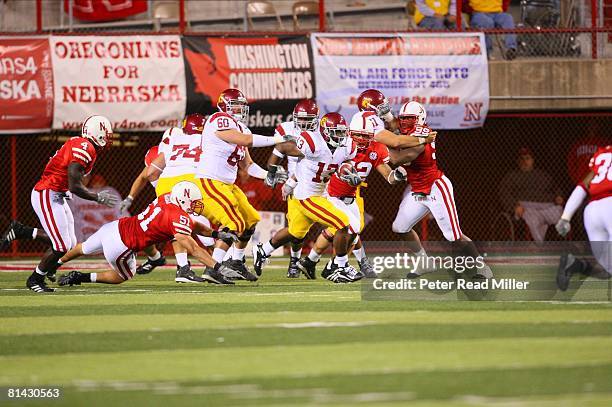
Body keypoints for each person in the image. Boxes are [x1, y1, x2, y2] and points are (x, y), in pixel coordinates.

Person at [0, 115, 119, 293]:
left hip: (57, 193)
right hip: (47, 193)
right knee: (61, 245)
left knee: (69, 243)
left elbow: (70, 182)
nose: (108, 138)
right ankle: (35, 278)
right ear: (98, 133)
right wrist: (97, 197)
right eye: (106, 134)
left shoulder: (83, 145)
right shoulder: (84, 147)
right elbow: (75, 186)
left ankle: (21, 231)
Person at [56, 182, 236, 287]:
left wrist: (216, 234)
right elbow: (194, 249)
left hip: (114, 227)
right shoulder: (176, 216)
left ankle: (55, 263)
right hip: (121, 246)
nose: (196, 206)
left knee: (83, 248)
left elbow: (192, 225)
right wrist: (217, 267)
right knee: (124, 276)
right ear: (183, 200)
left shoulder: (166, 197)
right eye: (193, 202)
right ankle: (80, 276)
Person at [298, 110, 408, 280]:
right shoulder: (344, 144)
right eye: (358, 135)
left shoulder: (375, 148)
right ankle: (338, 265)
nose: (362, 140)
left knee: (353, 229)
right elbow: (329, 163)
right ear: (350, 132)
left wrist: (397, 176)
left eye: (366, 136)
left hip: (351, 195)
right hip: (331, 194)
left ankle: (320, 263)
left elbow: (389, 176)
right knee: (346, 226)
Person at [254, 113, 363, 283]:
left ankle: (263, 250)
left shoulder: (347, 145)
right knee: (342, 223)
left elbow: (344, 162)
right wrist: (272, 171)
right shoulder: (312, 142)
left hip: (319, 192)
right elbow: (282, 147)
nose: (340, 136)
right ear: (325, 132)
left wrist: (348, 171)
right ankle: (338, 267)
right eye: (336, 132)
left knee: (295, 232)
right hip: (308, 196)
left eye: (342, 132)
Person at [390, 101, 493, 280]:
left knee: (454, 236)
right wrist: (388, 120)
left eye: (410, 118)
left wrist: (383, 145)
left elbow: (403, 157)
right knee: (400, 227)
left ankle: (481, 268)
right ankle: (424, 263)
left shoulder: (424, 134)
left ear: (420, 119)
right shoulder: (407, 133)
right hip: (417, 190)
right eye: (403, 118)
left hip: (435, 188)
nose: (405, 122)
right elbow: (394, 131)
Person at [195, 88, 289, 282]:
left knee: (250, 221)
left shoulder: (242, 128)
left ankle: (236, 263)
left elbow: (248, 165)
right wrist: (278, 140)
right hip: (210, 181)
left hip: (227, 184)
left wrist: (268, 175)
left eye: (241, 106)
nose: (240, 110)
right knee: (234, 222)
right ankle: (213, 267)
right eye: (236, 106)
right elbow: (245, 140)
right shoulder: (218, 119)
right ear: (224, 106)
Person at [267, 99, 320, 278]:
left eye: (309, 120)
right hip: (296, 183)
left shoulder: (322, 131)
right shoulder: (286, 129)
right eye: (301, 119)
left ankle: (331, 262)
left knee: (337, 224)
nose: (304, 124)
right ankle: (294, 262)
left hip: (320, 182)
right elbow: (278, 150)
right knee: (297, 229)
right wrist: (273, 171)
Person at [555, 145, 611, 291]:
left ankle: (575, 264)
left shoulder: (604, 153)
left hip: (592, 211)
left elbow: (584, 184)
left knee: (608, 268)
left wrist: (566, 216)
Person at [499, 147, 564, 242]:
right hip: (527, 207)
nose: (524, 161)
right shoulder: (512, 176)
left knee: (560, 212)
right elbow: (504, 192)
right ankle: (541, 248)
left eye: (527, 158)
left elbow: (555, 188)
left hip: (547, 206)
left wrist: (559, 196)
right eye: (522, 159)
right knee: (533, 220)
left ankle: (563, 245)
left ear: (532, 160)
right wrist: (514, 206)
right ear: (518, 161)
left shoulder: (543, 175)